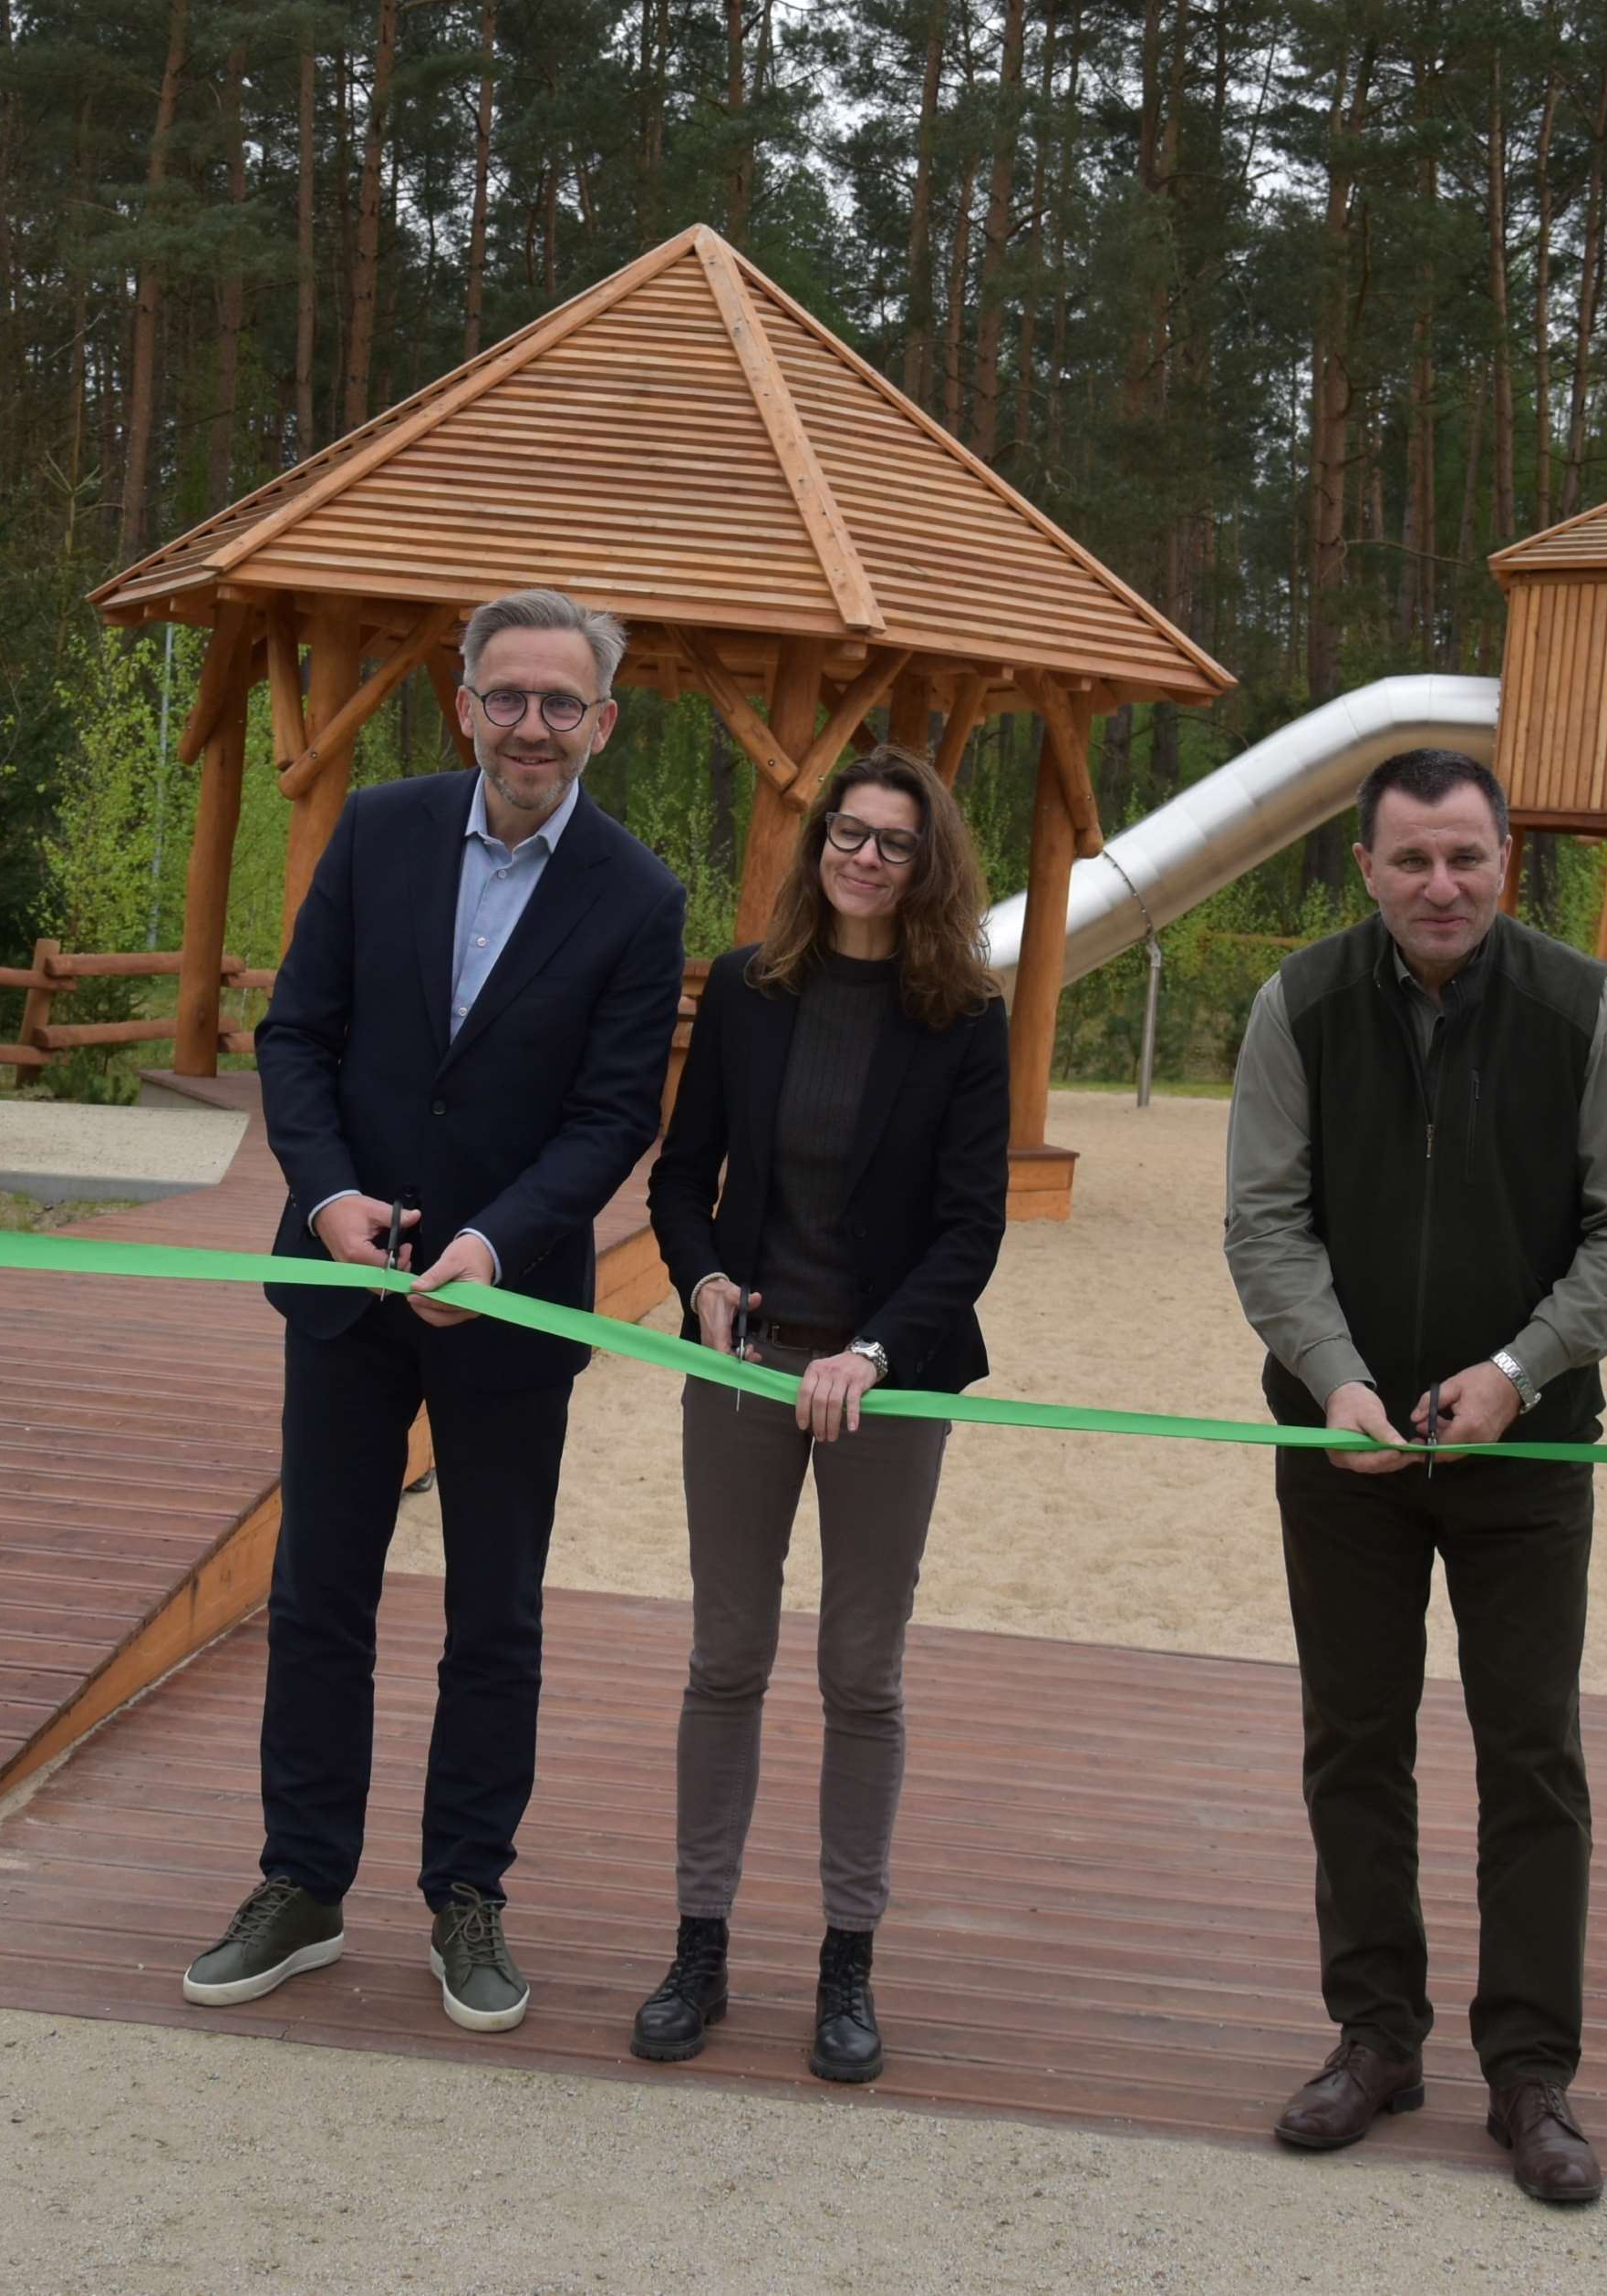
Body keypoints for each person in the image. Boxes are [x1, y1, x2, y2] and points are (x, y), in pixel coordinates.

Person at [186, 587, 688, 2035]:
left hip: (509, 1304)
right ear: (463, 704)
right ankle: (301, 1885)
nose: (532, 725)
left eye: (561, 702)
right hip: (346, 1284)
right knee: (317, 1599)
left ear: (602, 721)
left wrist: (494, 1240)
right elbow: (299, 1036)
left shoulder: (640, 898)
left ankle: (468, 1893)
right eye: (507, 696)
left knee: (495, 1615)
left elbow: (609, 1121)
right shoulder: (382, 830)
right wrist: (330, 1196)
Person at [1219, 747, 1607, 2209]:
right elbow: (1264, 1220)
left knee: (1529, 1753)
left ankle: (1532, 2070)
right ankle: (1375, 2038)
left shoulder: (1579, 1007)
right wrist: (1333, 1374)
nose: (1441, 884)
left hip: (1527, 1449)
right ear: (1364, 865)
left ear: (1504, 864)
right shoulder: (1299, 1004)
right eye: (1412, 858)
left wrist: (1521, 1368)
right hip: (1341, 1440)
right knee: (1354, 1743)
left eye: (1466, 857)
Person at [628, 743, 1011, 2087]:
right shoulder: (747, 989)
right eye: (846, 832)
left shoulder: (965, 1014)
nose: (862, 856)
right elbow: (683, 1180)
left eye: (892, 841)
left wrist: (879, 1345)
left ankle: (847, 1960)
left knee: (862, 1673)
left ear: (930, 863)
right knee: (724, 1659)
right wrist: (707, 1278)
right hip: (744, 1368)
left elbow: (973, 1225)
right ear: (818, 847)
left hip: (887, 1381)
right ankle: (700, 1945)